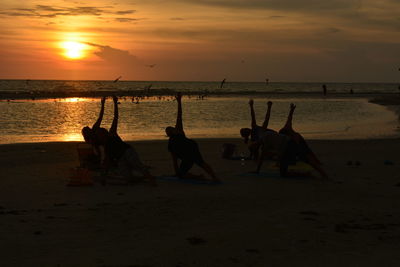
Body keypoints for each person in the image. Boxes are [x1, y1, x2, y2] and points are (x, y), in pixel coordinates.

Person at [256, 103, 328, 178]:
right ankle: (323, 174)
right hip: (291, 143)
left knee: (285, 173)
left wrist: (258, 170)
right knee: (305, 159)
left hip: (289, 146)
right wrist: (269, 107)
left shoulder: (265, 139)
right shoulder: (264, 133)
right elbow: (267, 118)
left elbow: (263, 156)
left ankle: (309, 175)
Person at [98, 96, 156, 185]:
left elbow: (115, 118)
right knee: (128, 178)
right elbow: (107, 161)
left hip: (127, 152)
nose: (100, 137)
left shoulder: (111, 134)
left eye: (101, 134)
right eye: (100, 135)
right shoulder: (106, 146)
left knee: (138, 166)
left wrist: (115, 104)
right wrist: (103, 177)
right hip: (120, 159)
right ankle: (141, 178)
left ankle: (151, 179)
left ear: (105, 133)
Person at [165, 93, 219, 182]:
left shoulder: (178, 131)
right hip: (187, 156)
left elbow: (179, 115)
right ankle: (199, 177)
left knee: (201, 163)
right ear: (170, 133)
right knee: (184, 173)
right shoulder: (171, 144)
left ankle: (214, 177)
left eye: (171, 128)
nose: (172, 128)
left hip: (191, 148)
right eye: (170, 129)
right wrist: (178, 174)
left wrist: (179, 102)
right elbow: (174, 160)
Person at [80, 97, 106, 169]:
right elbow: (100, 117)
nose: (88, 126)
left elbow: (100, 117)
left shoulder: (91, 141)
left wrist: (103, 105)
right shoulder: (94, 132)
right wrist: (103, 105)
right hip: (105, 149)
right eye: (87, 128)